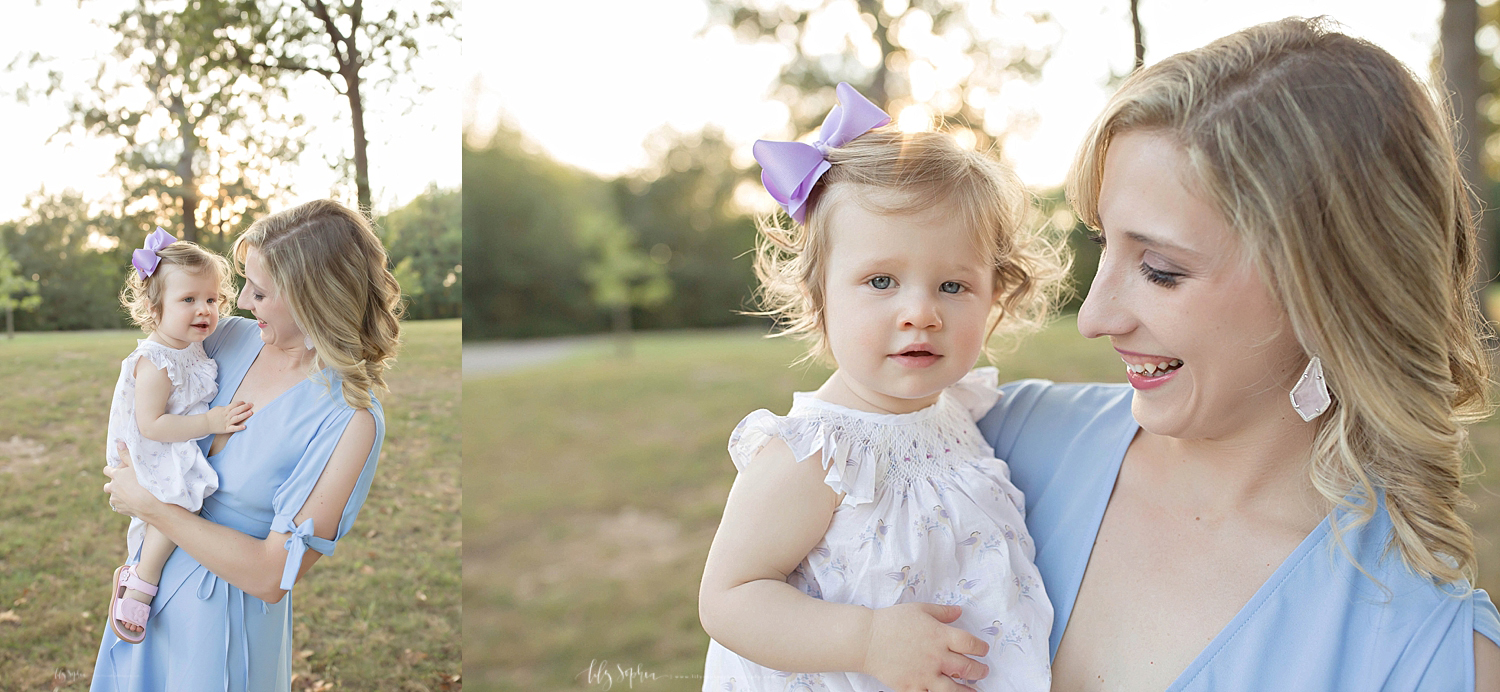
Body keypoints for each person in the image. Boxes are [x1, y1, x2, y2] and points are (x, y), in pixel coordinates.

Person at [975, 17, 1500, 691]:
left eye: (1161, 269)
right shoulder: (995, 446)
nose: (1096, 317)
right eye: (1105, 241)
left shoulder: (1432, 657)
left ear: (1330, 290)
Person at [698, 83, 1070, 692]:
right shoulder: (815, 454)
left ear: (994, 295)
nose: (920, 312)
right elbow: (729, 597)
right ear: (819, 298)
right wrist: (865, 641)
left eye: (953, 286)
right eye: (880, 281)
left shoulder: (959, 411)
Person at [92, 199, 403, 691]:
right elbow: (149, 395)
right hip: (143, 604)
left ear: (311, 297)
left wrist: (150, 507)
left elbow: (271, 574)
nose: (237, 304)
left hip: (222, 631)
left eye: (258, 292)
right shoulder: (227, 338)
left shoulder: (350, 419)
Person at [104, 228, 253, 643]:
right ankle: (139, 580)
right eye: (188, 300)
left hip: (173, 442)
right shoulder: (155, 360)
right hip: (152, 447)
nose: (203, 309)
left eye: (211, 299)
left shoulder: (189, 344)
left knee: (185, 499)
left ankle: (145, 567)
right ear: (155, 310)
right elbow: (151, 424)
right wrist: (212, 422)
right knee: (178, 504)